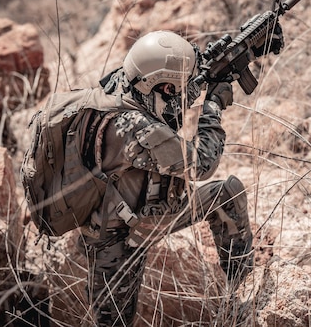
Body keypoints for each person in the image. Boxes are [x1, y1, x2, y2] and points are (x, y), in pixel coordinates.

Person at [75, 30, 273, 326]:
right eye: (171, 88)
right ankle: (242, 288)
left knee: (226, 194)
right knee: (114, 321)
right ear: (157, 85)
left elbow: (171, 95)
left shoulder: (124, 83)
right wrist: (213, 108)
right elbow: (202, 164)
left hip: (133, 216)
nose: (177, 93)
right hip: (118, 239)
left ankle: (241, 284)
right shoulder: (137, 130)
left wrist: (240, 56)